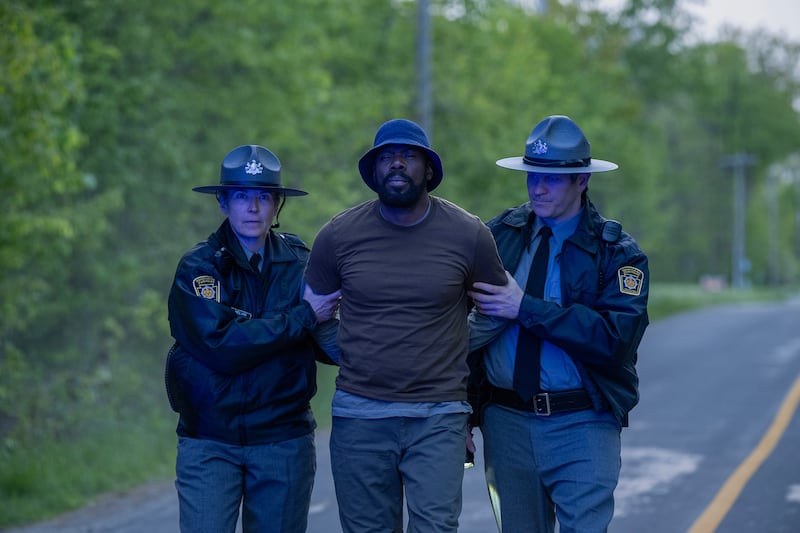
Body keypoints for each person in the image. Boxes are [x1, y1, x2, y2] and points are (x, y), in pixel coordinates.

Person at [303, 118, 507, 533]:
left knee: (435, 527)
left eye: (408, 155)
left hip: (438, 414)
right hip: (360, 414)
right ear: (374, 171)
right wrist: (355, 351)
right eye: (387, 157)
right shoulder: (338, 236)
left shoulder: (469, 234)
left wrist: (451, 344)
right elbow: (315, 314)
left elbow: (498, 307)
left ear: (428, 169)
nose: (397, 164)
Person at [467, 115, 650, 533]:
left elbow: (614, 339)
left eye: (551, 178)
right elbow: (462, 331)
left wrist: (525, 307)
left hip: (582, 422)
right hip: (505, 421)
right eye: (532, 175)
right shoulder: (497, 236)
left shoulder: (617, 254)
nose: (537, 187)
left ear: (582, 180)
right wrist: (464, 414)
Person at [165, 144, 341, 533]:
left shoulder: (300, 264)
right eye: (242, 196)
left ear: (278, 205)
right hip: (210, 441)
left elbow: (331, 343)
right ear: (223, 202)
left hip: (283, 440)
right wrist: (304, 316)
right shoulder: (198, 268)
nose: (253, 207)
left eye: (264, 196)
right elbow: (222, 346)